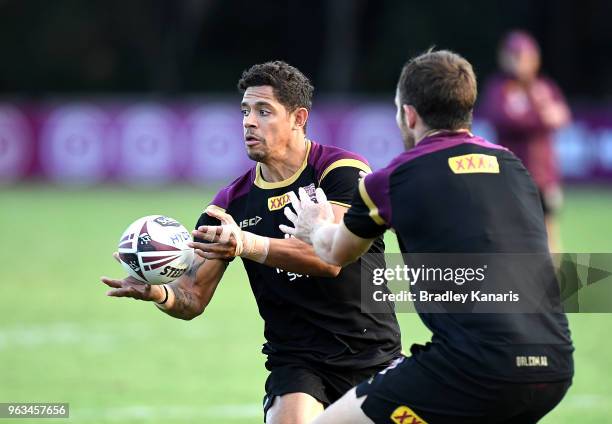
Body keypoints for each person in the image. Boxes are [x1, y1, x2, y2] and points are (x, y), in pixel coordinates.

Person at [100, 60, 401, 424]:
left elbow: (329, 258)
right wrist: (159, 293)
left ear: (298, 117)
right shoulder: (230, 204)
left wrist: (246, 243)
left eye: (263, 111)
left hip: (374, 354)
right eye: (245, 111)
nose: (249, 122)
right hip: (298, 361)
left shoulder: (339, 170)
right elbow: (192, 296)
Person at [281, 50, 574, 423]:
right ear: (466, 108)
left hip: (472, 368)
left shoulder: (393, 180)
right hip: (553, 366)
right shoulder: (514, 168)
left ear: (409, 114)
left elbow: (335, 253)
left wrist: (314, 226)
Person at [481, 30, 571, 252]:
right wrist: (540, 117)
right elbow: (503, 119)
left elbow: (562, 115)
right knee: (510, 231)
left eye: (527, 56)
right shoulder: (499, 88)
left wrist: (534, 117)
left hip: (543, 174)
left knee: (548, 230)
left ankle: (552, 282)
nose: (522, 63)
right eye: (517, 56)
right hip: (511, 175)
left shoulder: (544, 86)